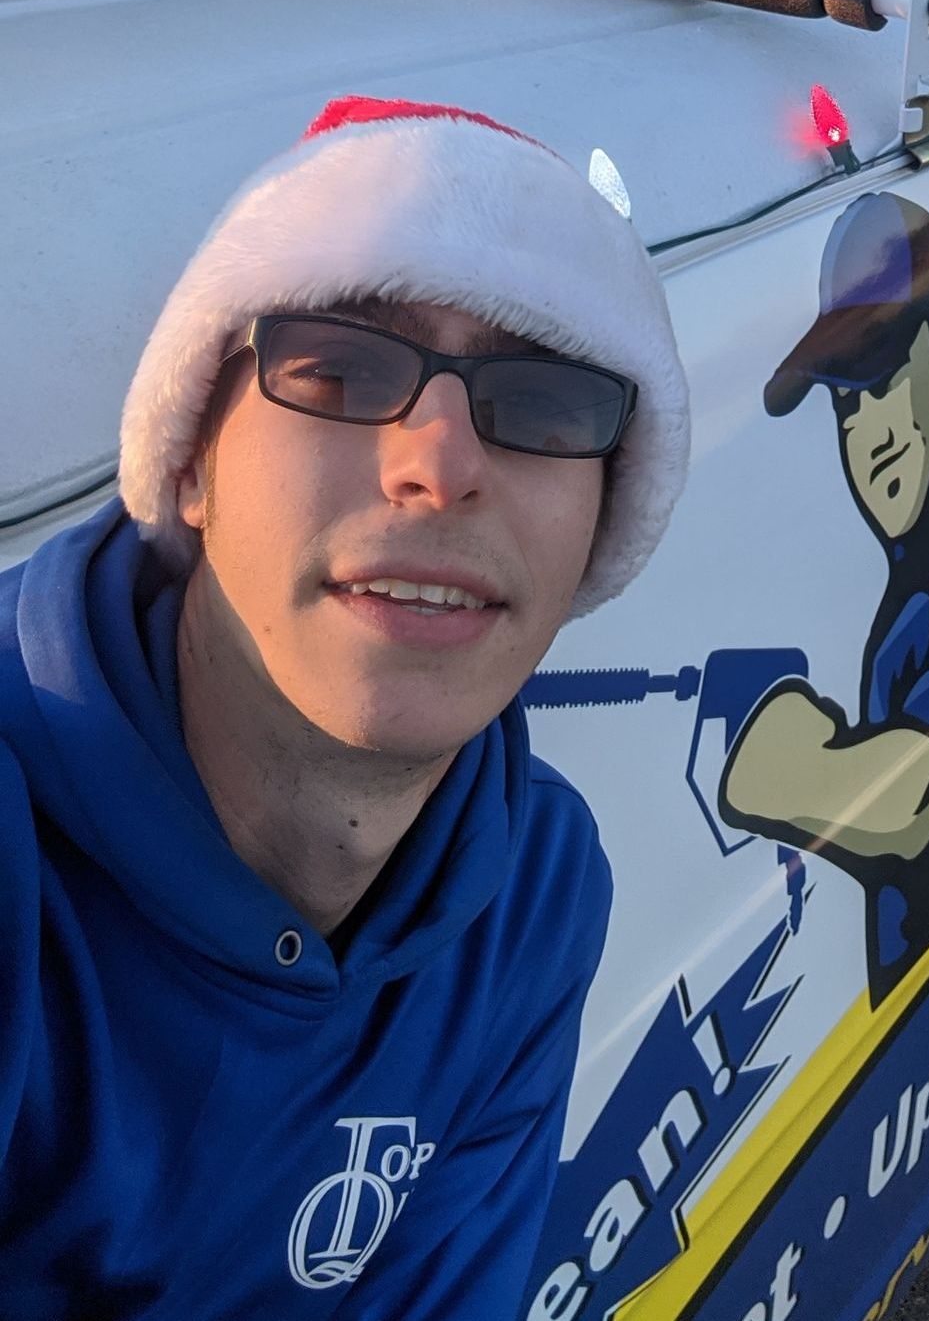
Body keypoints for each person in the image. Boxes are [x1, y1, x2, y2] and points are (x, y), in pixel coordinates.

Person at [0, 96, 690, 1317]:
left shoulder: (532, 888)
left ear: (598, 527)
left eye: (539, 401)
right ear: (193, 459)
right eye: (337, 366)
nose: (440, 461)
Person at [719, 192, 929, 1007]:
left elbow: (917, 793)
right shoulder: (916, 569)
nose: (869, 431)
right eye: (844, 402)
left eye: (885, 379)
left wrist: (781, 775)